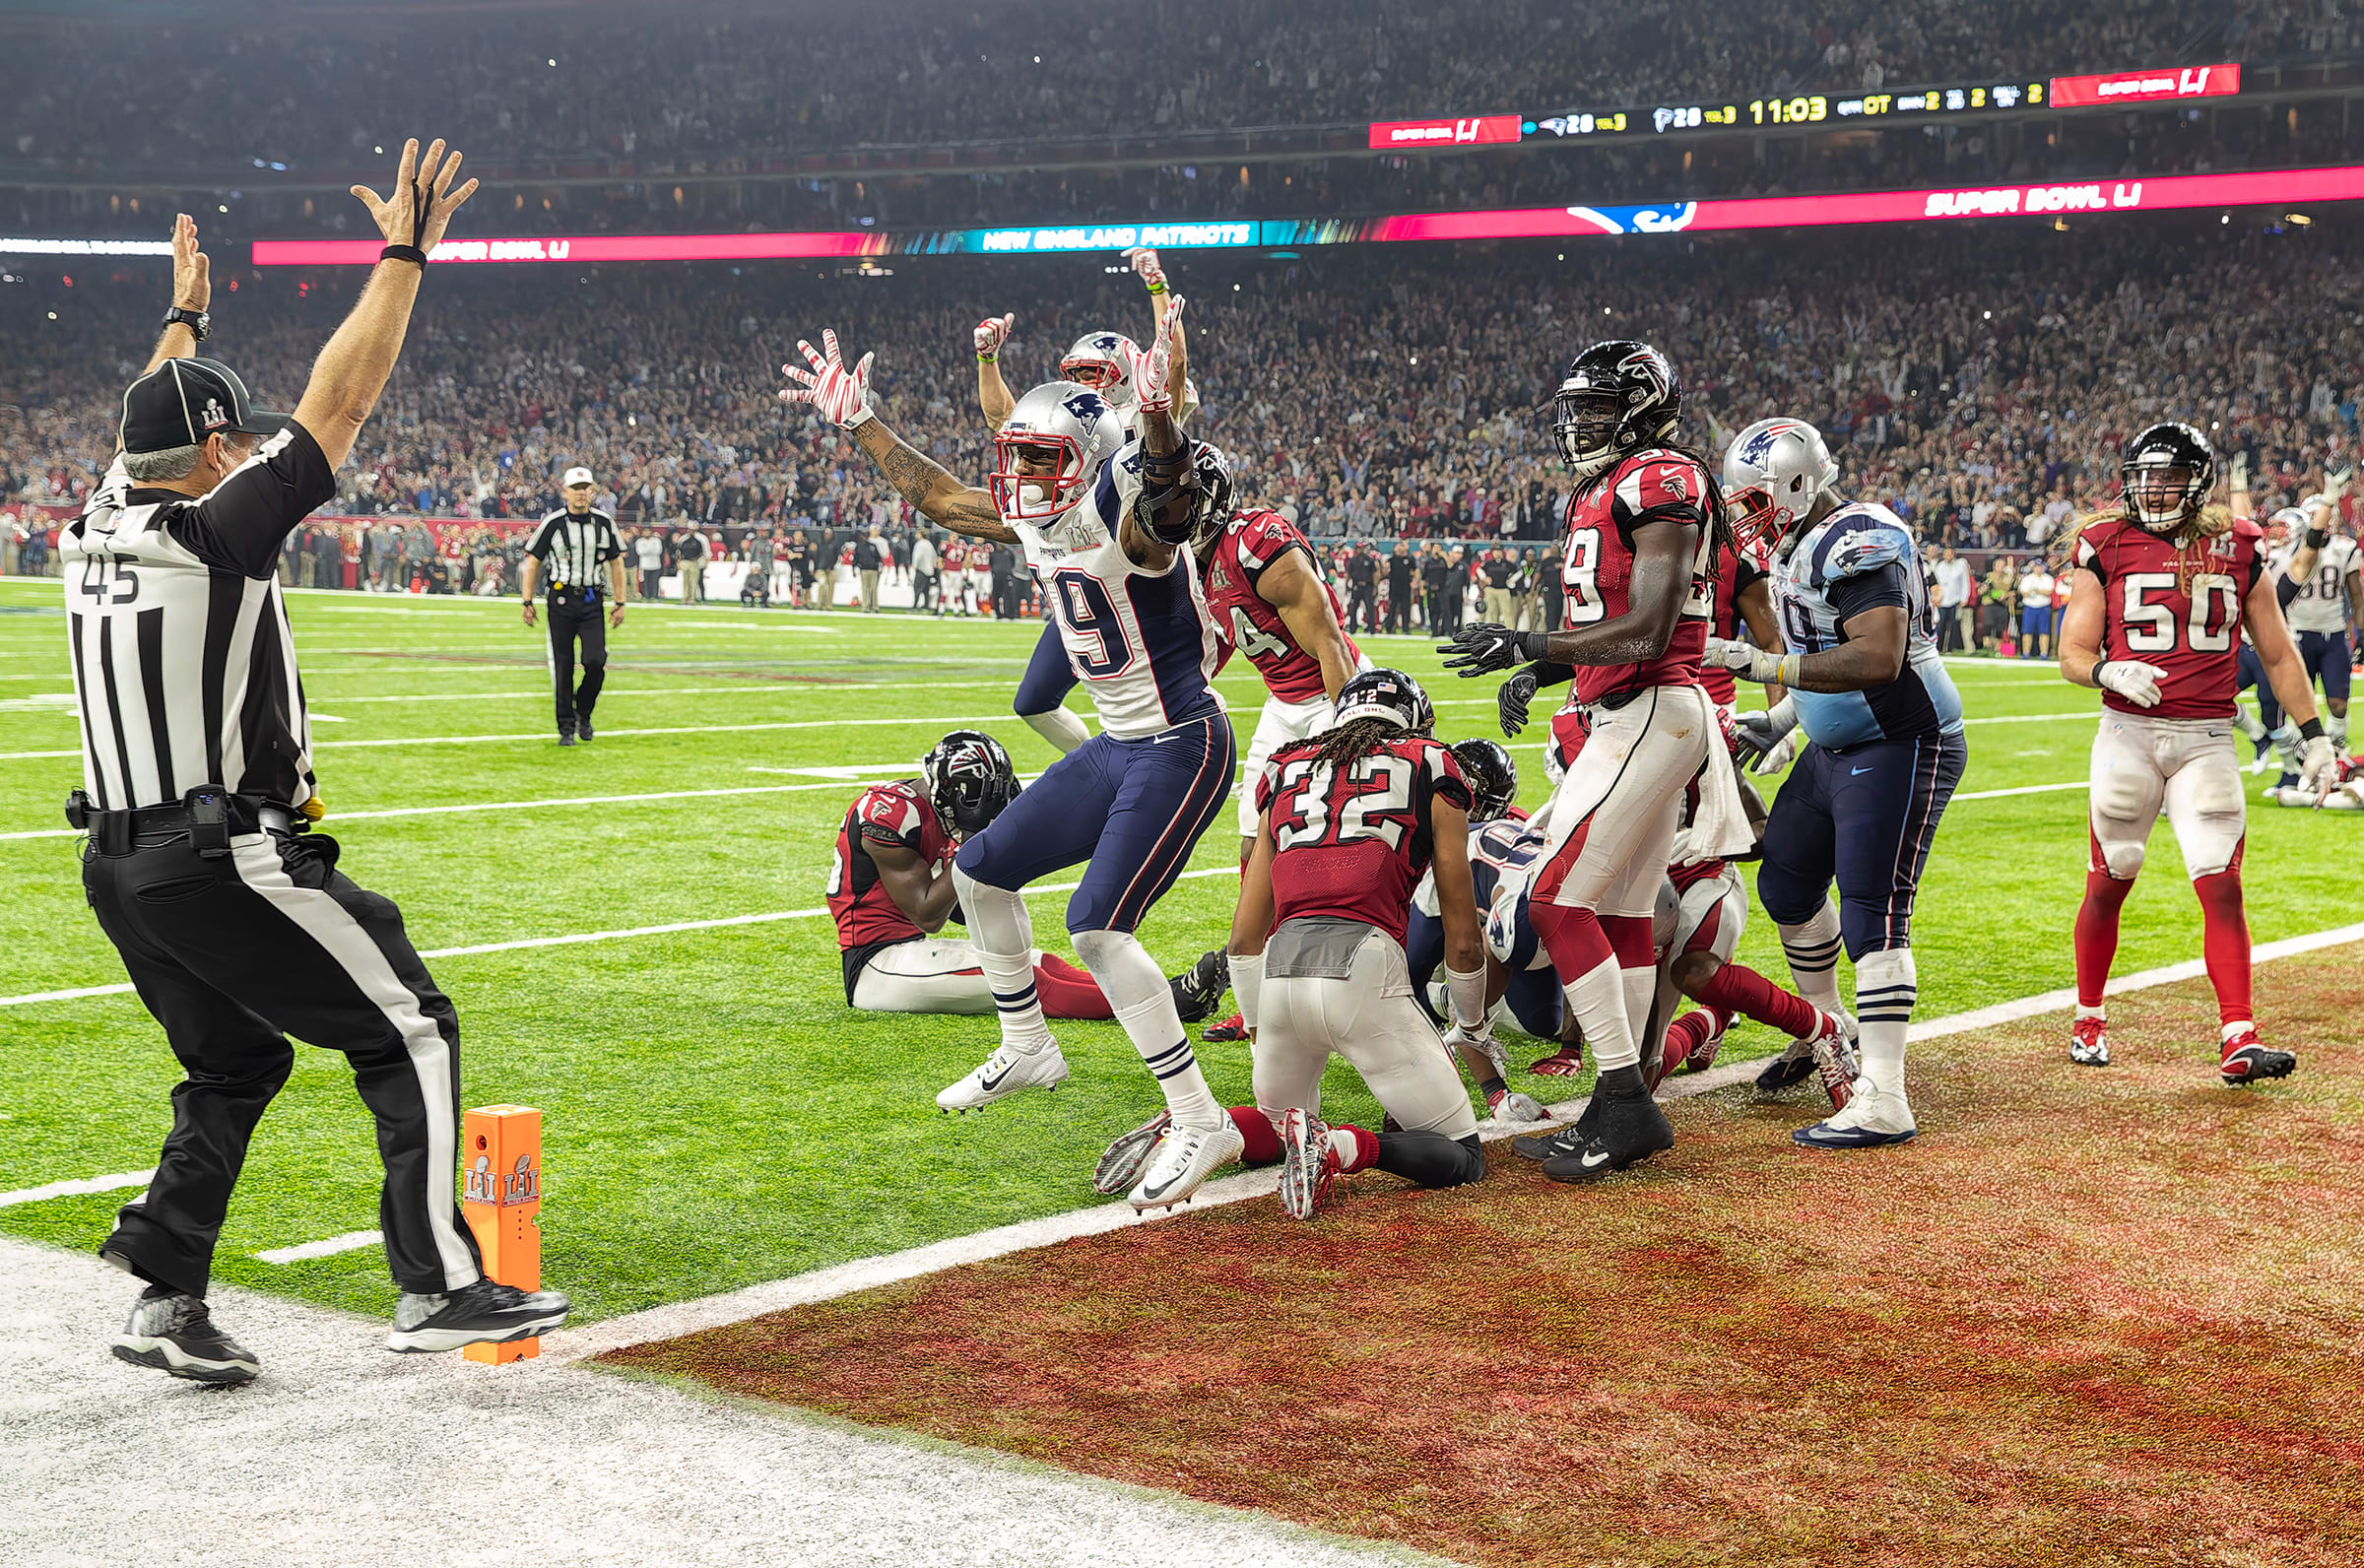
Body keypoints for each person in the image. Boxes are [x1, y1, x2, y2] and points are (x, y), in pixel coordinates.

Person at [58, 156, 567, 1387]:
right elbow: (336, 408)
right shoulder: (211, 530)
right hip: (213, 852)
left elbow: (152, 415)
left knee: (238, 1059)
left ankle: (166, 1295)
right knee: (412, 1024)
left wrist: (185, 321)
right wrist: (404, 257)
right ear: (220, 447)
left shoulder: (94, 517)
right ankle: (437, 1281)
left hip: (117, 864)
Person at [785, 302, 1245, 1211]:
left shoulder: (1128, 509)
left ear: (1088, 458)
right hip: (1119, 743)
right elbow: (943, 497)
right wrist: (862, 421)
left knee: (1097, 927)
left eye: (1042, 458)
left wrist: (1156, 422)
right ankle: (1029, 1046)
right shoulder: (1038, 507)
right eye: (1019, 456)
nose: (1024, 473)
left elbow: (1163, 505)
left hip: (1182, 742)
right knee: (982, 870)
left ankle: (1200, 1118)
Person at [1437, 339, 1744, 1184]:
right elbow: (1617, 615)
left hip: (1649, 711)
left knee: (1555, 898)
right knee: (1618, 912)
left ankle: (1622, 1094)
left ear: (1645, 411)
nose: (1580, 425)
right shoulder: (1612, 484)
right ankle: (1623, 1102)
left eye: (1599, 410)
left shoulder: (1661, 480)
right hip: (1633, 710)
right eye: (1575, 409)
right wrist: (1547, 666)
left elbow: (1649, 627)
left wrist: (1527, 642)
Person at [1094, 671, 1489, 1219]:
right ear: (1415, 726)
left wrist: (1260, 1029)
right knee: (1463, 1155)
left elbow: (1243, 937)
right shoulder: (1432, 763)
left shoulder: (1283, 768)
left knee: (1283, 1127)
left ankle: (1207, 1126)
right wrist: (1472, 1026)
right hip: (1364, 971)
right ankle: (1337, 1147)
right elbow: (1464, 940)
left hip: (1279, 973)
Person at [1706, 416, 1967, 1149]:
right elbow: (1823, 645)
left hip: (1899, 739)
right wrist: (1785, 719)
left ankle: (1886, 1095)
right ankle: (1827, 1030)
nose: (1745, 513)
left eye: (1756, 497)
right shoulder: (1795, 541)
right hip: (1838, 744)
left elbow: (1877, 657)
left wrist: (1765, 670)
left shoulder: (1860, 540)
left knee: (1872, 910)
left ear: (1797, 483)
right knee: (1786, 883)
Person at [2057, 425, 2336, 1083]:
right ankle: (2088, 1015)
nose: (2152, 488)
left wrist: (2316, 736)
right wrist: (2105, 673)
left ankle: (2239, 1035)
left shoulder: (2237, 545)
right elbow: (2072, 651)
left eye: (2168, 476)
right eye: (2144, 475)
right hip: (2128, 733)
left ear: (2197, 482)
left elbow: (2276, 651)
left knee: (2222, 884)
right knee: (2111, 877)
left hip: (2207, 738)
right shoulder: (2104, 542)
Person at [829, 729, 1220, 1019]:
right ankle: (1168, 1004)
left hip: (907, 952)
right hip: (877, 966)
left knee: (1040, 960)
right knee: (1030, 980)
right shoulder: (886, 814)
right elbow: (928, 913)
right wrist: (975, 841)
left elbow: (966, 911)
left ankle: (1164, 989)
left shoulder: (932, 809)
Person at [1184, 442, 1365, 1043]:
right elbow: (1219, 645)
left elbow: (1330, 641)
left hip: (1333, 695)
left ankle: (1382, 978)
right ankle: (1257, 999)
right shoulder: (1196, 558)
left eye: (1180, 497)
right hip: (1283, 703)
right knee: (1249, 841)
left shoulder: (1256, 541)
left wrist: (1351, 728)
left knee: (1321, 844)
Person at [519, 466, 626, 746]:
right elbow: (533, 562)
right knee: (563, 666)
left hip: (592, 599)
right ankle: (566, 728)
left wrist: (620, 601)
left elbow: (617, 561)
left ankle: (584, 711)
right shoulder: (553, 523)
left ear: (592, 491)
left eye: (585, 488)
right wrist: (527, 601)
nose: (581, 494)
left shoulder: (603, 523)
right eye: (576, 489)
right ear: (565, 491)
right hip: (562, 600)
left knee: (596, 661)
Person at [2016, 556, 2056, 658]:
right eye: (2037, 567)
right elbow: (2023, 592)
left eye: (2040, 567)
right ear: (2033, 568)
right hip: (2030, 607)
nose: (2039, 569)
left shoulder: (2048, 578)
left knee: (2044, 632)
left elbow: (2048, 592)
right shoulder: (2027, 578)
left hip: (2043, 607)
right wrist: (2038, 591)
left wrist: (2037, 591)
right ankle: (2026, 653)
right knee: (2027, 631)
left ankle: (2043, 653)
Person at [673, 521, 706, 604]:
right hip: (685, 561)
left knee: (693, 582)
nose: (691, 531)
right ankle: (685, 598)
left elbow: (702, 552)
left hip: (694, 562)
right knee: (685, 581)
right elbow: (678, 551)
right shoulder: (683, 539)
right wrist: (678, 561)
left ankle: (692, 598)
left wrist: (699, 560)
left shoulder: (699, 540)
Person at [911, 527, 941, 615]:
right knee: (926, 589)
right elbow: (934, 557)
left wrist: (915, 566)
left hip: (921, 569)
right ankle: (926, 605)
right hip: (929, 570)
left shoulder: (919, 544)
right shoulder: (929, 544)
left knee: (917, 588)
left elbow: (917, 556)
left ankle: (915, 605)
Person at [854, 527, 883, 613]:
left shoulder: (872, 546)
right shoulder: (859, 547)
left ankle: (875, 606)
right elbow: (856, 559)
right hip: (864, 570)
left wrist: (879, 567)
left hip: (874, 570)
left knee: (873, 589)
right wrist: (855, 568)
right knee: (865, 588)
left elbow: (878, 558)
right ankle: (865, 606)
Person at [633, 526, 664, 600]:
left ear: (651, 532)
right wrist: (650, 550)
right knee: (645, 582)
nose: (647, 533)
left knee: (655, 582)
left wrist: (647, 550)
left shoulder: (656, 540)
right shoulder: (639, 541)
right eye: (645, 531)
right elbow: (640, 552)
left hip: (655, 565)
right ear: (643, 532)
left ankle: (655, 596)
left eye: (648, 531)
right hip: (644, 565)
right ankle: (646, 596)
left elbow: (658, 551)